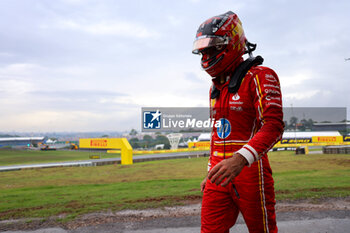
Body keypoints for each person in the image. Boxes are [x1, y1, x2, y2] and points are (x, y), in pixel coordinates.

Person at [192, 11, 284, 233]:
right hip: (218, 172)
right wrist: (210, 170)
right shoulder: (215, 88)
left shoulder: (260, 75)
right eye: (203, 50)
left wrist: (240, 160)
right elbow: (218, 134)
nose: (207, 54)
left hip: (251, 171)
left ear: (232, 42)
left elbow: (273, 126)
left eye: (212, 47)